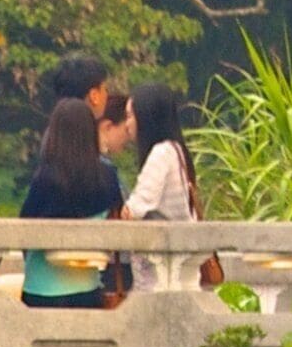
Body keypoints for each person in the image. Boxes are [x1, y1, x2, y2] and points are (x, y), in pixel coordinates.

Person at [16, 96, 122, 307]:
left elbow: (24, 225)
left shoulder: (46, 177)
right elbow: (115, 217)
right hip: (87, 284)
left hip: (42, 285)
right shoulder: (107, 176)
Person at [121, 82, 201, 290]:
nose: (127, 124)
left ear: (146, 116)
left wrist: (122, 210)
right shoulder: (176, 150)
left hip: (165, 274)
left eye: (130, 116)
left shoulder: (160, 154)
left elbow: (135, 209)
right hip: (180, 267)